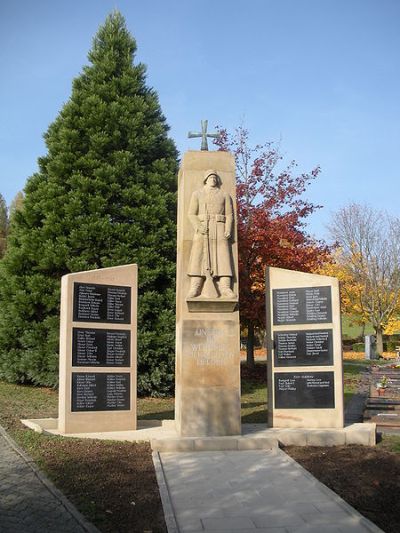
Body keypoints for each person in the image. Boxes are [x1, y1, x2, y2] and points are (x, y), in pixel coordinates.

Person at [187, 169, 235, 298]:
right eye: (210, 177)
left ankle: (225, 288)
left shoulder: (224, 194)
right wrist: (198, 226)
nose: (213, 180)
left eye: (215, 178)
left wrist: (228, 229)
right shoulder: (197, 194)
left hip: (219, 227)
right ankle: (195, 287)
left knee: (223, 257)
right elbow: (191, 214)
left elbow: (229, 214)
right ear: (206, 179)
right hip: (203, 228)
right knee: (198, 257)